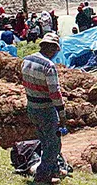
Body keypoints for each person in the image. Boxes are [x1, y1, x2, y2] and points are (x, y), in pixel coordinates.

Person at [22, 33, 65, 184]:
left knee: (44, 139)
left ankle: (53, 170)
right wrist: (62, 112)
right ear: (51, 48)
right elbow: (55, 92)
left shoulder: (26, 60)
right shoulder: (49, 66)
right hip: (45, 108)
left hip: (31, 106)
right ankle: (42, 177)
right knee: (53, 144)